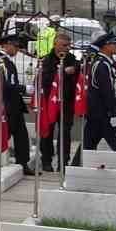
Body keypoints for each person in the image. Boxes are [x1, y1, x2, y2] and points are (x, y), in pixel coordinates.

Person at [83, 32, 116, 162]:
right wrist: (114, 112)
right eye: (115, 44)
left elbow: (112, 89)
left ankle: (77, 169)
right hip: (103, 114)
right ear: (106, 46)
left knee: (88, 145)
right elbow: (107, 92)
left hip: (99, 114)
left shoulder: (107, 64)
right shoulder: (102, 65)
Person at [0, 34, 34, 174]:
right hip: (4, 104)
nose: (17, 49)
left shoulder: (8, 61)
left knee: (21, 135)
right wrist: (23, 88)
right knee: (5, 134)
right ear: (6, 45)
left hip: (14, 104)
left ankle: (23, 163)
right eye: (15, 46)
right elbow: (2, 84)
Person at [38, 31, 80, 171]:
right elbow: (45, 80)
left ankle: (63, 161)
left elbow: (77, 80)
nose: (66, 48)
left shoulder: (72, 60)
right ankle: (46, 161)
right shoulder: (46, 60)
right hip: (50, 102)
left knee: (65, 132)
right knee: (47, 132)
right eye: (63, 45)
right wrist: (61, 72)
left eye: (68, 45)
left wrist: (73, 71)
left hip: (66, 102)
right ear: (56, 44)